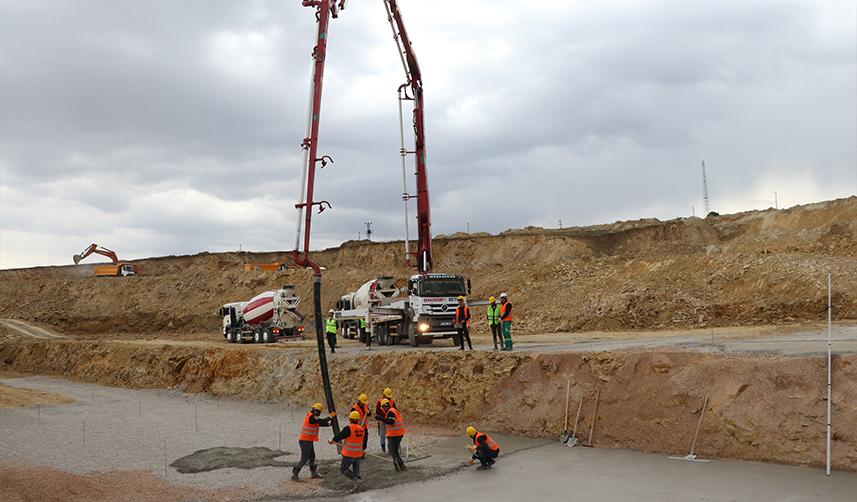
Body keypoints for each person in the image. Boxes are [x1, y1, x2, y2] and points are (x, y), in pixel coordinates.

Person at [292, 402, 335, 481]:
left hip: (308, 440)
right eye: (318, 412)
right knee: (304, 459)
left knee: (312, 457)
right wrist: (330, 417)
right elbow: (321, 421)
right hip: (305, 441)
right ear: (316, 411)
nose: (318, 414)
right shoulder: (311, 417)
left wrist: (328, 424)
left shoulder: (311, 416)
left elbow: (318, 423)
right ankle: (295, 475)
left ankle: (313, 473)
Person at [330, 411, 366, 481]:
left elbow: (339, 436)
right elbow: (362, 441)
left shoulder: (348, 428)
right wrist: (363, 450)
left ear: (350, 419)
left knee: (343, 470)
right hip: (358, 454)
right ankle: (358, 485)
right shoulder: (361, 429)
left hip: (349, 454)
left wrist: (332, 440)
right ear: (358, 420)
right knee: (356, 472)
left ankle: (357, 482)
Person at [375, 398, 407, 471]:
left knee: (392, 451)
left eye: (383, 407)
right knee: (394, 451)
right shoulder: (393, 411)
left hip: (394, 435)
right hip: (398, 434)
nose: (383, 409)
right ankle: (400, 465)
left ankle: (399, 465)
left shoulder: (390, 412)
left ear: (385, 406)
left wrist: (380, 418)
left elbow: (391, 422)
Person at [375, 388, 396, 452]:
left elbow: (395, 411)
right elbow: (377, 412)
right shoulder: (379, 402)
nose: (388, 398)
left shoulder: (392, 402)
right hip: (382, 421)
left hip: (389, 420)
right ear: (384, 395)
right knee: (383, 435)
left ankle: (391, 449)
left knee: (390, 435)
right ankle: (383, 449)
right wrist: (380, 419)